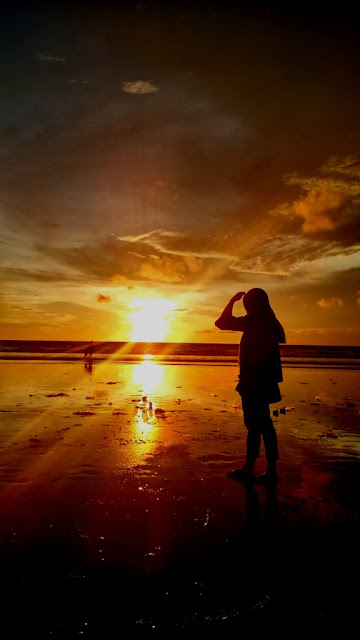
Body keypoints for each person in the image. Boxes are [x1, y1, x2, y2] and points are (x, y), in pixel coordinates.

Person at [215, 288, 285, 484]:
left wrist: (232, 300)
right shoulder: (271, 322)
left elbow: (221, 323)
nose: (246, 307)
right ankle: (263, 468)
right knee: (262, 425)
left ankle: (260, 469)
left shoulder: (255, 321)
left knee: (258, 426)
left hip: (255, 381)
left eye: (247, 303)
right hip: (263, 380)